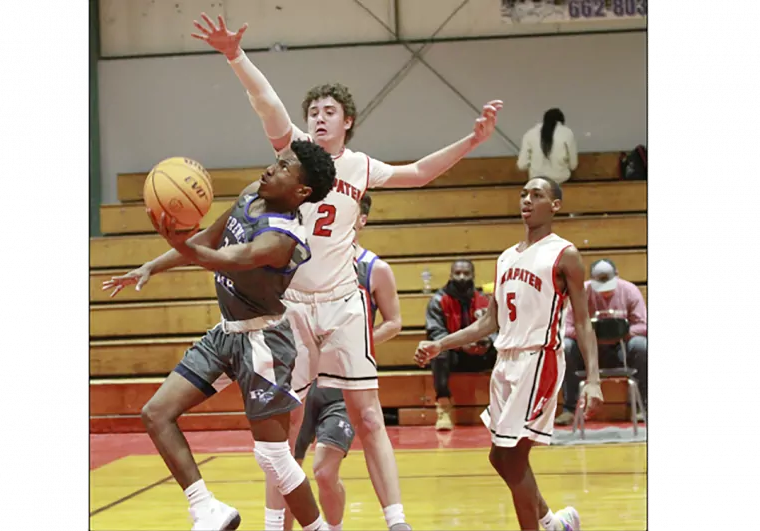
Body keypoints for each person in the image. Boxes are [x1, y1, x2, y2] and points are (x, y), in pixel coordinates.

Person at [191, 12, 503, 530]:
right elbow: (266, 101)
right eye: (313, 111)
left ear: (347, 121)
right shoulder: (293, 152)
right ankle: (274, 524)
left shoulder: (360, 166)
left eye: (329, 111)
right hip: (290, 307)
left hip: (341, 303)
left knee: (369, 415)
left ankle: (396, 521)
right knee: (283, 425)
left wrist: (471, 141)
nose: (319, 117)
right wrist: (235, 55)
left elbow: (419, 173)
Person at [101, 140, 336, 531]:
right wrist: (151, 266)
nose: (271, 168)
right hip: (227, 333)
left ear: (302, 191)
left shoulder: (282, 238)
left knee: (273, 457)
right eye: (276, 161)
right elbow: (209, 239)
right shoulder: (252, 193)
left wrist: (175, 239)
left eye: (284, 167)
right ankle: (207, 509)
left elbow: (224, 259)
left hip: (264, 343)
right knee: (156, 414)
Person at [413, 176, 604, 531]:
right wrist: (441, 344)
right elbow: (489, 321)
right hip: (505, 362)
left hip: (539, 359)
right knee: (500, 457)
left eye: (537, 195)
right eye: (523, 194)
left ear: (555, 205)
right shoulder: (505, 258)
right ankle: (554, 524)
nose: (527, 200)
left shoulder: (565, 254)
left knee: (513, 459)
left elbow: (582, 321)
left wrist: (593, 379)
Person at [280, 193, 403, 531]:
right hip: (306, 381)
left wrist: (351, 344)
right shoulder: (305, 264)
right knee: (288, 467)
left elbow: (394, 322)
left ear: (361, 218)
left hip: (342, 387)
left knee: (323, 471)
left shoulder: (374, 268)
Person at [555, 258, 648, 425]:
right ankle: (570, 409)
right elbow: (565, 329)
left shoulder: (630, 291)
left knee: (641, 345)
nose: (605, 291)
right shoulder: (580, 293)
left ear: (617, 275)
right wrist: (589, 334)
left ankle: (643, 407)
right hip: (587, 351)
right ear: (591, 279)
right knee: (566, 346)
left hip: (620, 349)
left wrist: (619, 332)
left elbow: (643, 325)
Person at [425, 259, 497, 430]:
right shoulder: (438, 300)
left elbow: (497, 327)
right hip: (454, 356)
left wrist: (488, 341)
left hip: (480, 355)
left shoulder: (484, 299)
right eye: (458, 273)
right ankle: (443, 406)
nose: (462, 277)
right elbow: (435, 333)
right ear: (451, 275)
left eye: (466, 273)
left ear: (473, 275)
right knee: (438, 352)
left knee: (504, 348)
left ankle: (504, 407)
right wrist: (460, 345)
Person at [517, 108, 578, 184]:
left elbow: (521, 165)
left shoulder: (530, 133)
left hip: (536, 182)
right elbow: (573, 165)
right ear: (561, 121)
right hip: (561, 180)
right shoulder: (567, 133)